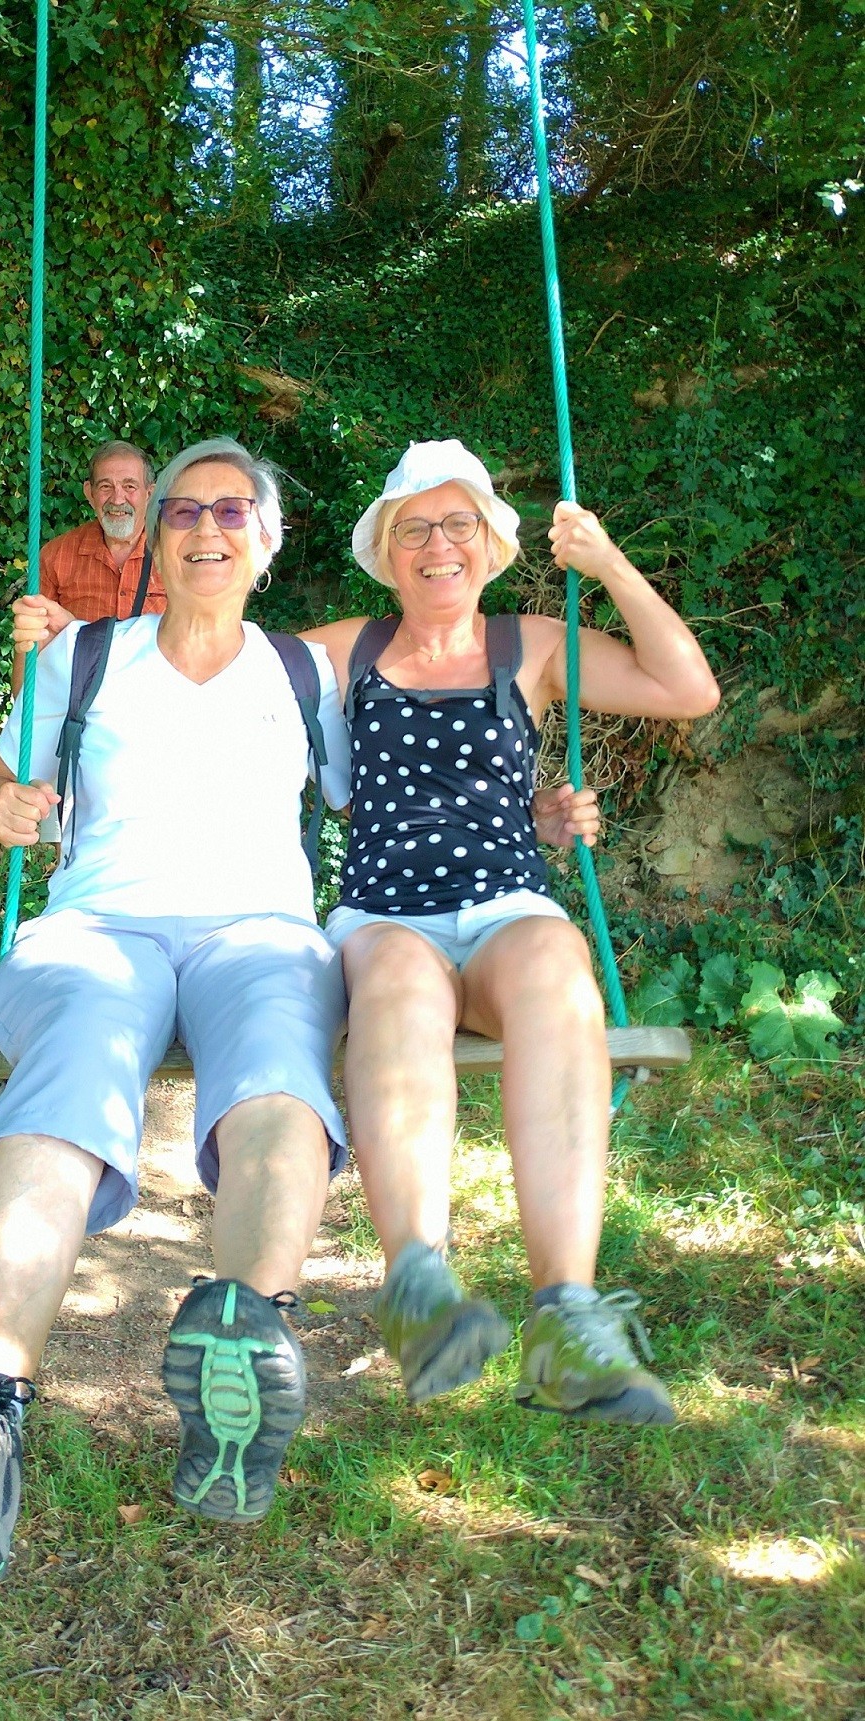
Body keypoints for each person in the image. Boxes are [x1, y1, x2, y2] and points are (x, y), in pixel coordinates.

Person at [0, 439, 351, 1582]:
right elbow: (0, 780)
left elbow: (387, 796)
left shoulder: (303, 675)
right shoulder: (80, 655)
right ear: (156, 540)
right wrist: (6, 805)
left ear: (267, 542)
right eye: (182, 510)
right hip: (98, 930)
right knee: (75, 1050)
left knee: (281, 1057)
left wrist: (536, 809)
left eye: (233, 510)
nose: (204, 528)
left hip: (259, 928)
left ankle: (246, 1349)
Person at [302, 439, 720, 1425]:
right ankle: (418, 1292)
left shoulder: (528, 644)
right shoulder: (341, 649)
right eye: (414, 528)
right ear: (385, 551)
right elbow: (207, 663)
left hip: (503, 910)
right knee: (396, 984)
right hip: (382, 912)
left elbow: (685, 689)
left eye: (458, 525)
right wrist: (79, 640)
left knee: (554, 963)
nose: (437, 545)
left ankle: (566, 1321)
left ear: (490, 545)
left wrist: (608, 566)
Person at [11, 439, 165, 693]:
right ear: (89, 493)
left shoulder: (176, 554)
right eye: (106, 486)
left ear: (149, 493)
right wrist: (24, 718)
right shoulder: (57, 555)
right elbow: (33, 638)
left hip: (154, 697)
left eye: (130, 486)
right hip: (80, 703)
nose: (117, 498)